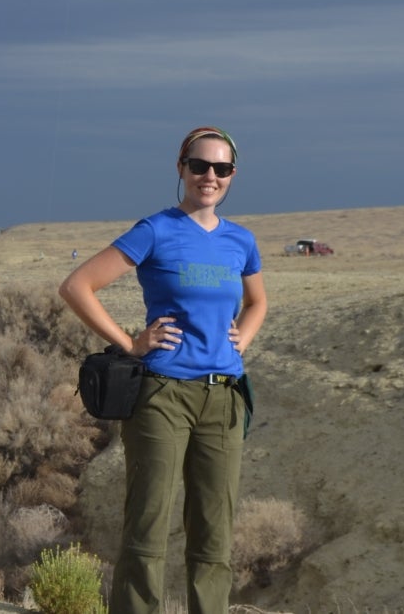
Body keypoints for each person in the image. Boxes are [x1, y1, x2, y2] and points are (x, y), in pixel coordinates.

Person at [59, 126, 268, 613]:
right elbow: (78, 286)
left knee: (214, 535)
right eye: (199, 166)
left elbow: (257, 301)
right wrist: (130, 343)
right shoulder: (156, 230)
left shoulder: (241, 240)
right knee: (148, 529)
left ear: (233, 176)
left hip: (224, 397)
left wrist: (244, 336)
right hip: (162, 396)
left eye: (221, 168)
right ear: (181, 168)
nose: (209, 176)